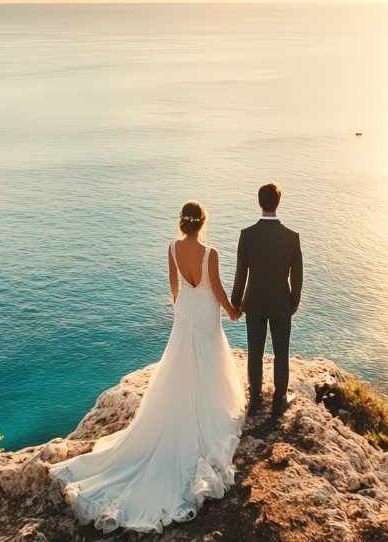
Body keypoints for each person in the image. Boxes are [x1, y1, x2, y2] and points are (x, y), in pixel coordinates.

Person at [49, 201, 245, 534]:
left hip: (185, 312)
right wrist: (232, 312)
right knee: (209, 362)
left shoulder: (171, 248)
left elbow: (174, 285)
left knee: (179, 362)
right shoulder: (210, 253)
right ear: (203, 223)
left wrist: (180, 309)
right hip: (205, 313)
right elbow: (217, 288)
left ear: (182, 223)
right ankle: (209, 410)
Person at [231, 183, 303, 417]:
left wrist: (236, 302)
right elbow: (297, 276)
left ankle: (255, 401)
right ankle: (279, 400)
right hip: (281, 302)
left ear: (259, 202)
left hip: (254, 303)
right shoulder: (292, 237)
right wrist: (293, 302)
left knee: (255, 351)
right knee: (282, 352)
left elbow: (241, 272)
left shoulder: (247, 235)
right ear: (278, 202)